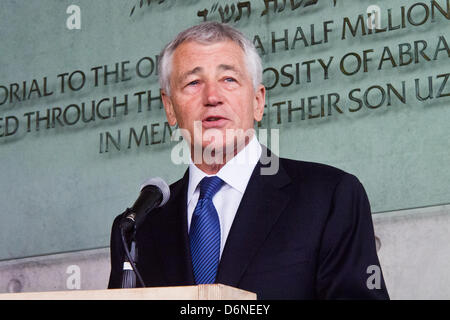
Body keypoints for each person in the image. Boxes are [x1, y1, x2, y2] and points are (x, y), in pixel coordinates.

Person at [108, 22, 389, 299]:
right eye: (193, 82)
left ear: (258, 101)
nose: (212, 97)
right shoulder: (139, 226)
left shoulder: (330, 197)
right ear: (170, 108)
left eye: (229, 79)